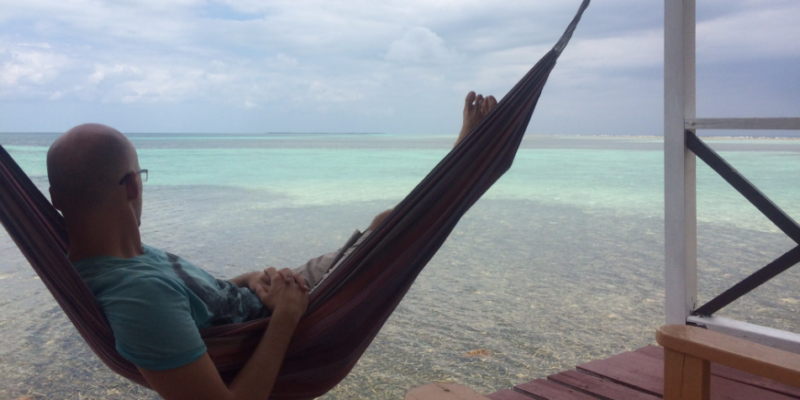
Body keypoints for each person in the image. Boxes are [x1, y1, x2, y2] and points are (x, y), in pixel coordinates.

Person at [45, 91, 497, 400]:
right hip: (291, 314)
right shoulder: (137, 299)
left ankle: (459, 167)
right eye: (141, 176)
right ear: (130, 187)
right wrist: (285, 316)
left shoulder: (128, 259)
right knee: (402, 236)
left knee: (388, 227)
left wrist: (254, 280)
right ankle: (465, 161)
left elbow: (205, 301)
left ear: (55, 200)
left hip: (269, 300)